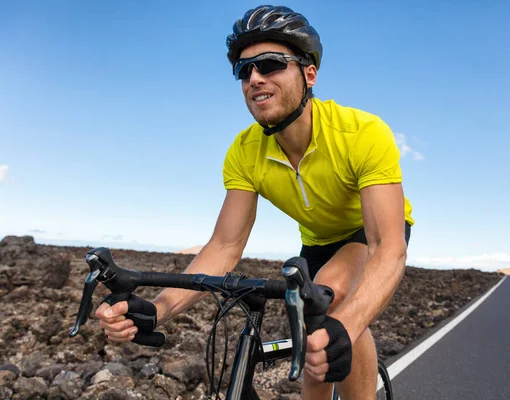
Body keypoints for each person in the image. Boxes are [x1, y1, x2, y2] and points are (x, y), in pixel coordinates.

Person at [95, 5, 414, 399]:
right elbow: (224, 247)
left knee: (330, 311)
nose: (255, 78)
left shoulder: (362, 133)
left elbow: (387, 247)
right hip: (316, 242)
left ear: (309, 73)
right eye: (244, 71)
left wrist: (346, 326)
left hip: (370, 232)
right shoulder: (244, 152)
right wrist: (158, 309)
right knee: (308, 329)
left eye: (270, 64)